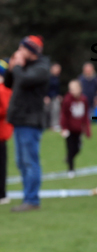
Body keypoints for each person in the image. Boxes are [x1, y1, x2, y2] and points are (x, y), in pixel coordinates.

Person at [6, 35, 50, 212]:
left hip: (30, 120)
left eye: (22, 48)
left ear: (30, 50)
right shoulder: (25, 67)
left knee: (30, 161)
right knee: (21, 162)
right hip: (19, 119)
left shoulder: (41, 68)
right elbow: (11, 83)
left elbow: (24, 80)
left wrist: (17, 66)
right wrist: (11, 70)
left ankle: (32, 199)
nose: (18, 51)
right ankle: (27, 197)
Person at [59, 80, 91, 177]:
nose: (72, 91)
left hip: (78, 129)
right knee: (70, 148)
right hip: (69, 129)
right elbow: (64, 114)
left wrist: (87, 130)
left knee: (77, 149)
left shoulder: (84, 100)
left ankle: (69, 158)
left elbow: (85, 115)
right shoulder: (67, 100)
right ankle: (71, 169)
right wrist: (64, 127)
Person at [0, 60, 12, 206]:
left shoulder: (4, 91)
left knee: (1, 166)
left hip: (1, 135)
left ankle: (1, 194)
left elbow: (5, 109)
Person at [46, 63, 61, 130]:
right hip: (47, 97)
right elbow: (45, 87)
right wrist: (46, 96)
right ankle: (46, 125)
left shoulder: (56, 78)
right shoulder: (47, 77)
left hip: (54, 97)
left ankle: (54, 125)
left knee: (56, 109)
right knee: (46, 110)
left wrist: (58, 95)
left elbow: (56, 89)